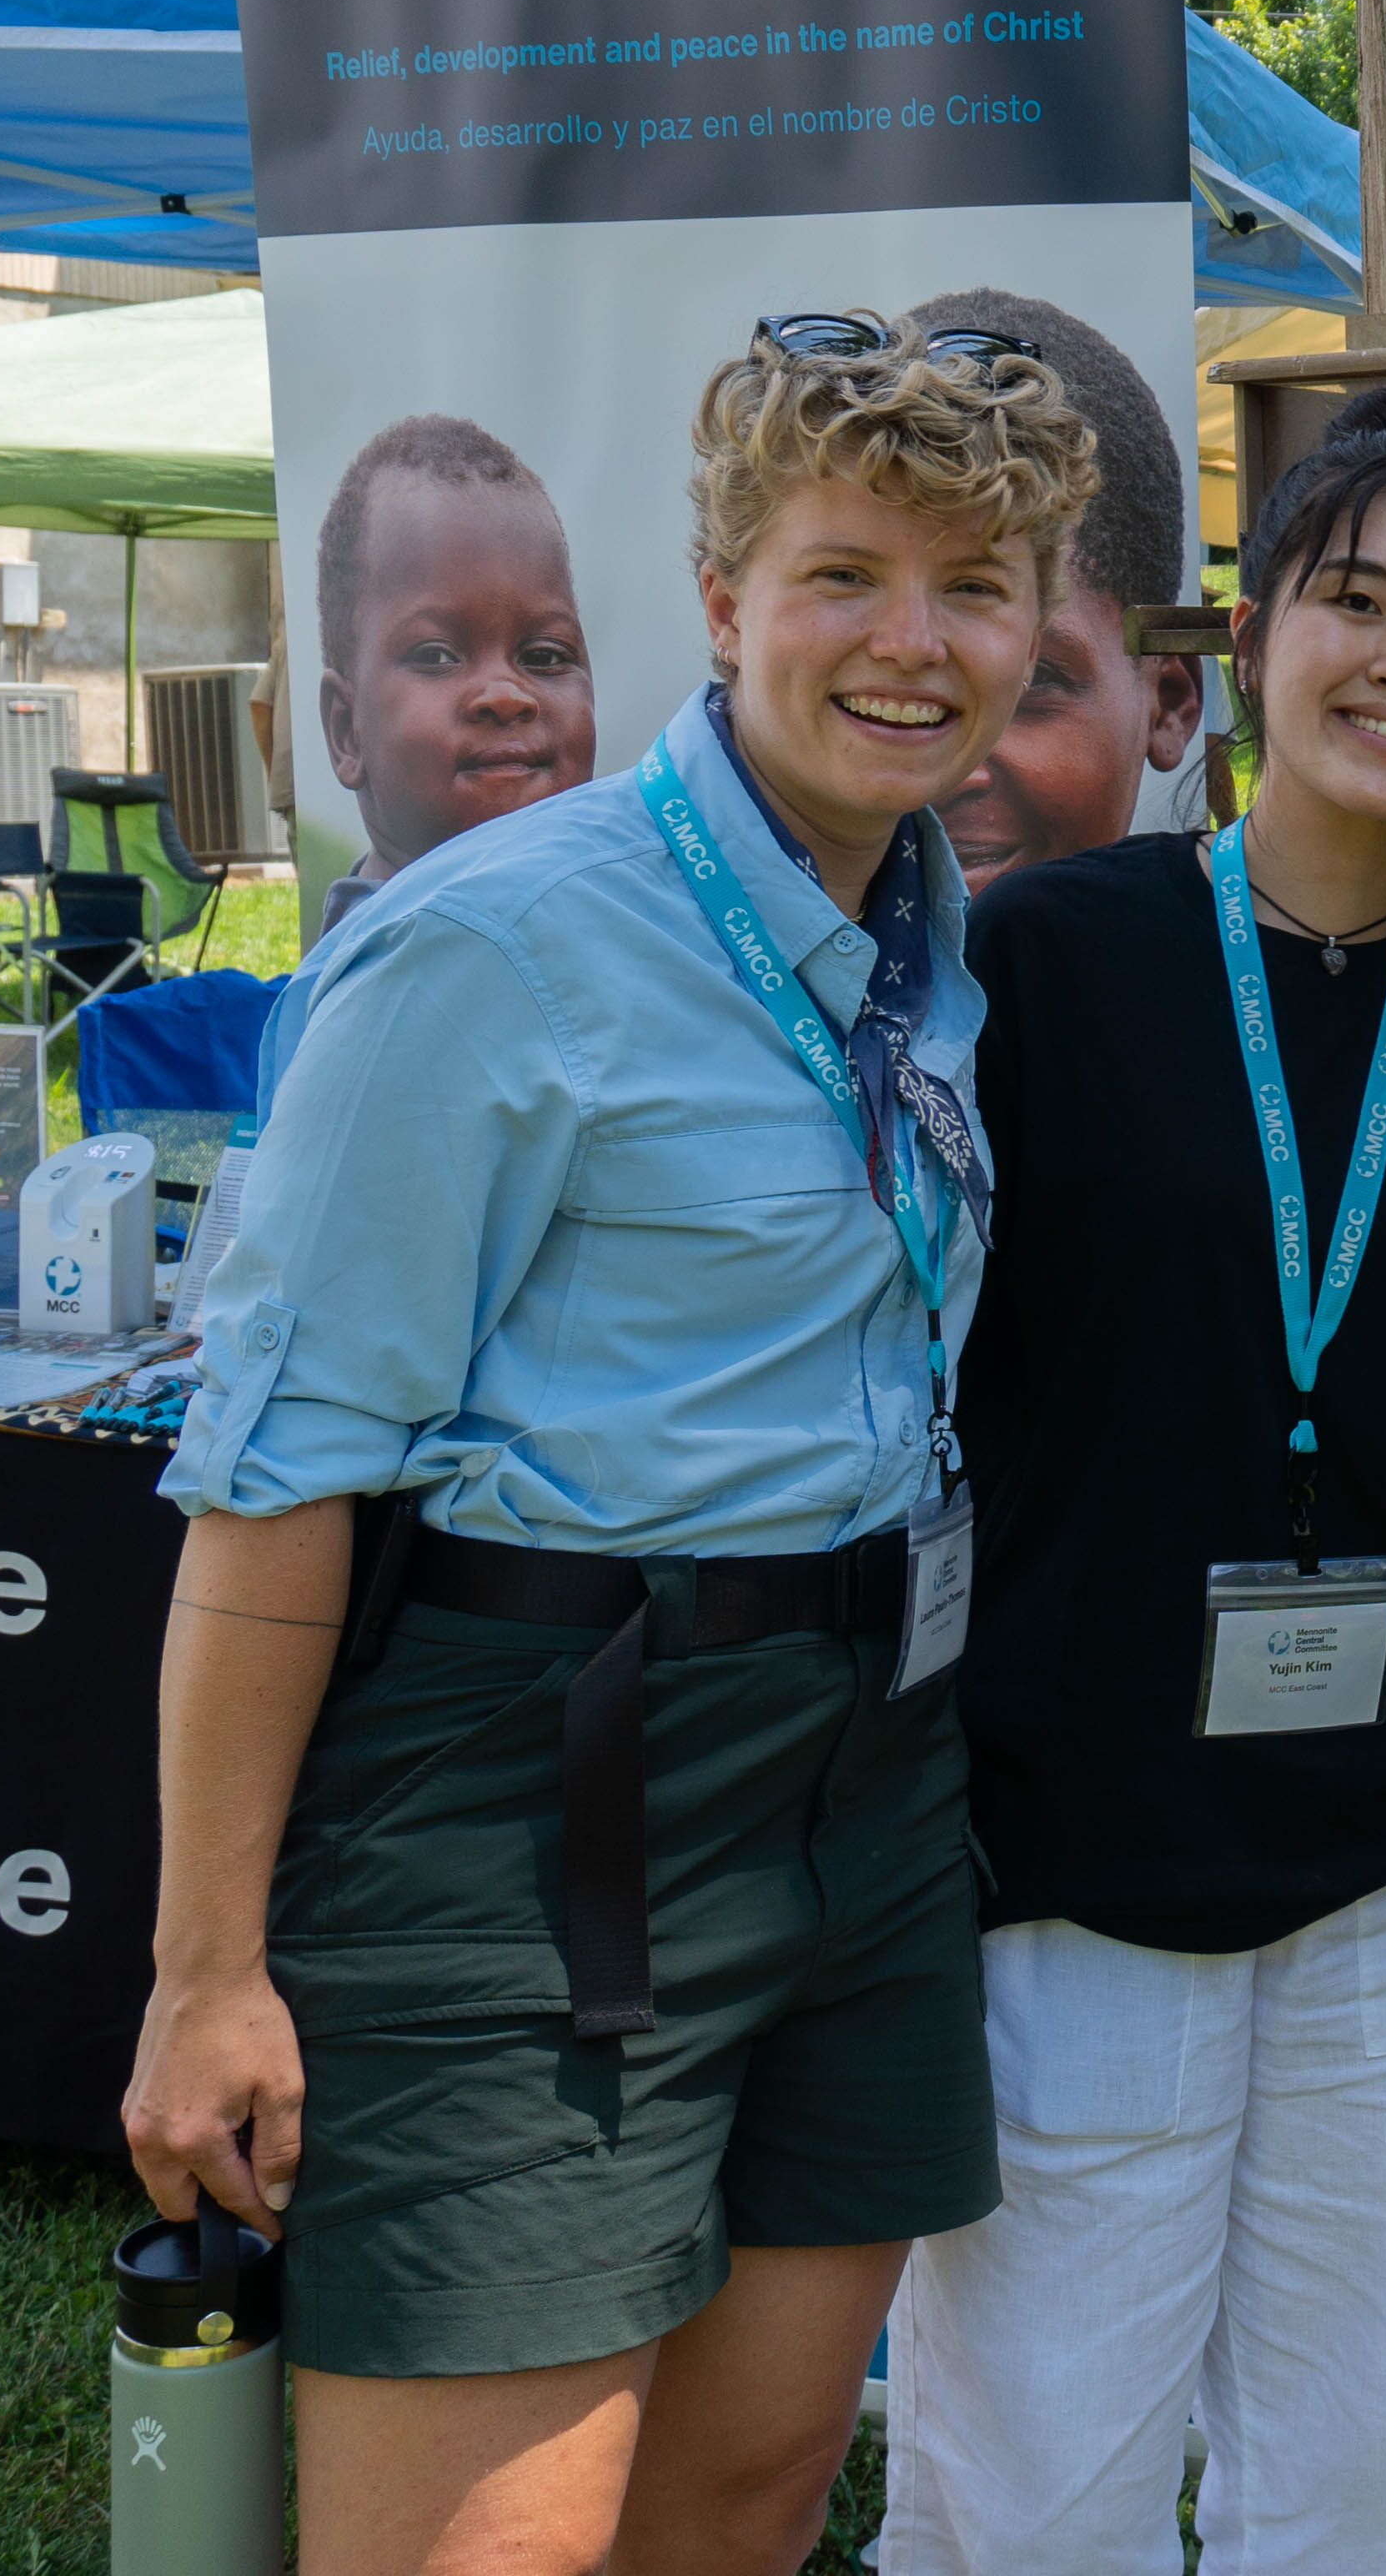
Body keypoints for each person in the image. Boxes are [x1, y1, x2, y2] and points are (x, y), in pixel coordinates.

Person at [121, 314, 1091, 2576]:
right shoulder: (498, 950)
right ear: (726, 589)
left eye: (976, 585)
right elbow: (274, 1482)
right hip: (535, 1786)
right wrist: (204, 1972)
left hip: (865, 1772)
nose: (912, 642)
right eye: (848, 573)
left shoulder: (926, 939)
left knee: (746, 2490)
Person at [881, 386, 1386, 2570]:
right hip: (1079, 1829)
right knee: (1041, 2480)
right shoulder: (1051, 957)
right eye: (1357, 601)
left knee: (1356, 2476)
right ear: (1252, 642)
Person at [911, 285, 1208, 886]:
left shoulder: (1247, 975)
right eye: (884, 697)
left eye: (1032, 683)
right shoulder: (694, 969)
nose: (948, 772)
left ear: (1168, 701)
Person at [312, 414, 595, 937]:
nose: (507, 695)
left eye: (545, 655)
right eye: (438, 656)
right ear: (347, 732)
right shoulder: (377, 989)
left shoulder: (609, 920)